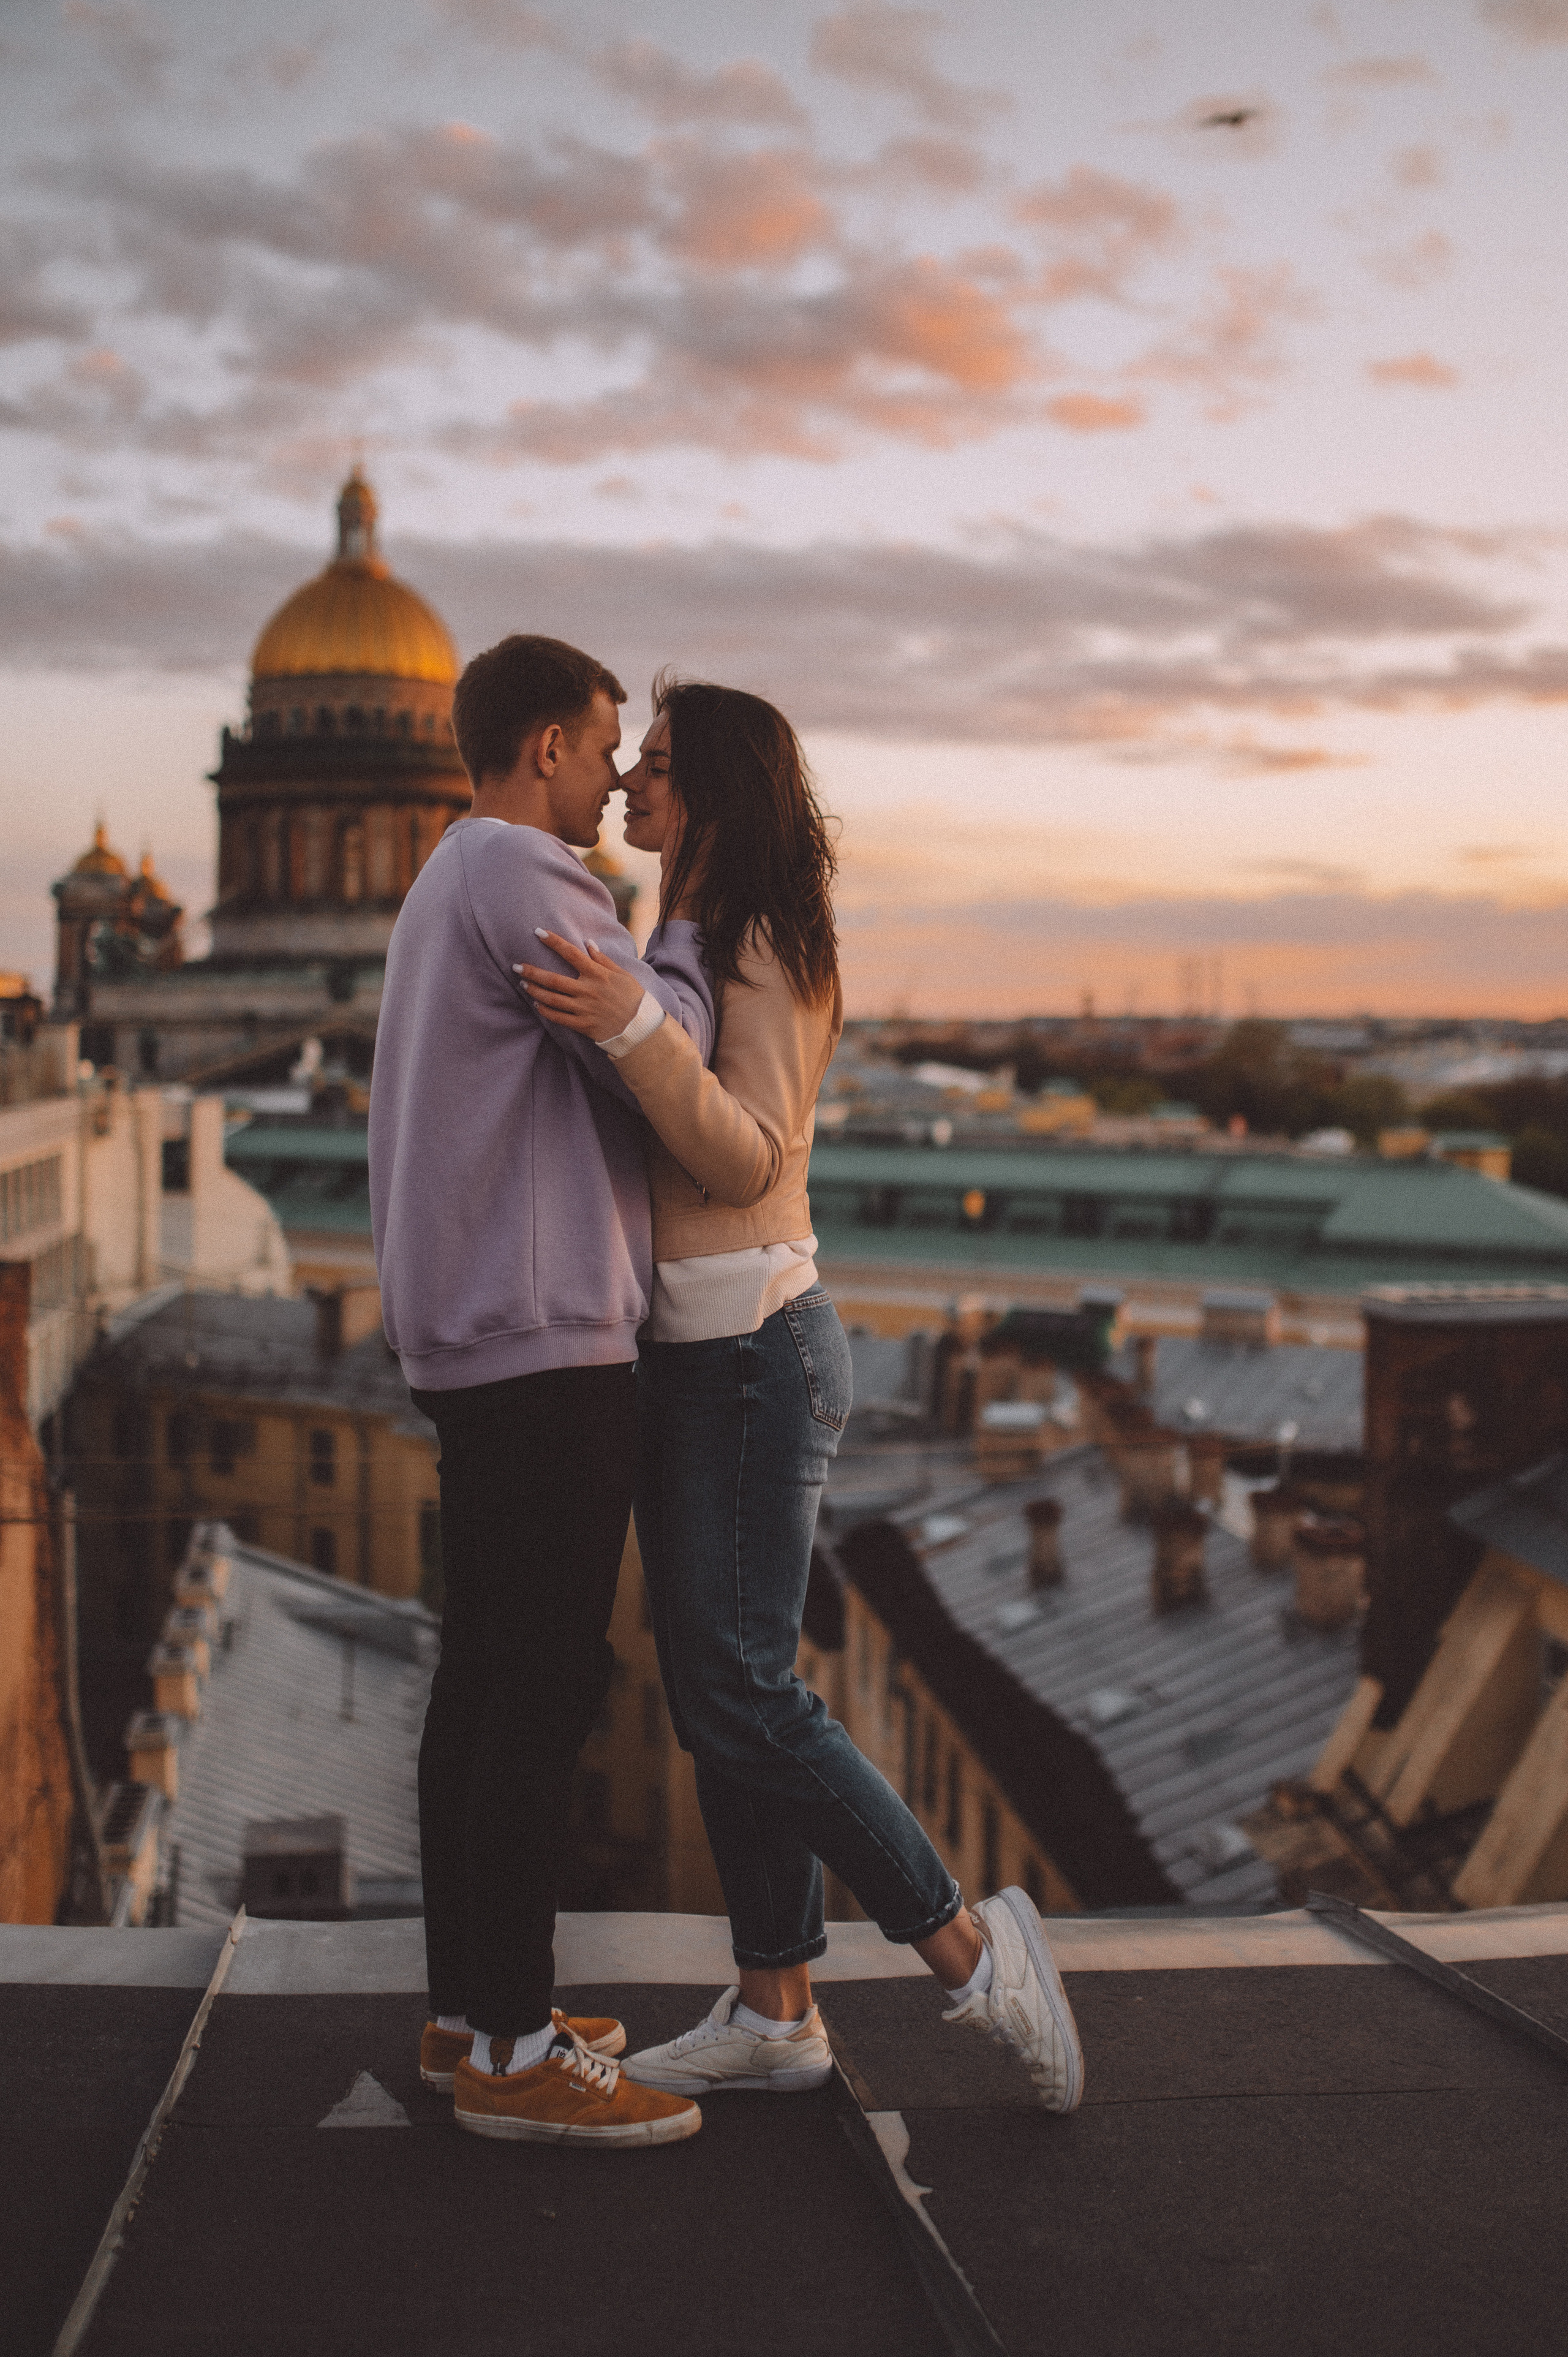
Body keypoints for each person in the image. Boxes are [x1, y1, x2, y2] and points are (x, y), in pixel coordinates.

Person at [518, 678, 1084, 2113]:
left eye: (655, 766)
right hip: (700, 1357)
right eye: (628, 763)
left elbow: (745, 1156)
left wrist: (622, 1025)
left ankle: (970, 1948)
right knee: (719, 1697)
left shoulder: (758, 936)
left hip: (755, 1353)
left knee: (747, 1689)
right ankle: (775, 2003)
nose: (631, 785)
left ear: (715, 789)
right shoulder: (688, 932)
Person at [369, 635, 715, 2149]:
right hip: (544, 1342)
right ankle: (513, 2048)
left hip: (479, 1336)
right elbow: (672, 1055)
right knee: (537, 1692)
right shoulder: (525, 872)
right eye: (602, 742)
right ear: (541, 749)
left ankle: (475, 2007)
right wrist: (691, 908)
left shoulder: (456, 875)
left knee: (485, 1680)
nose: (611, 770)